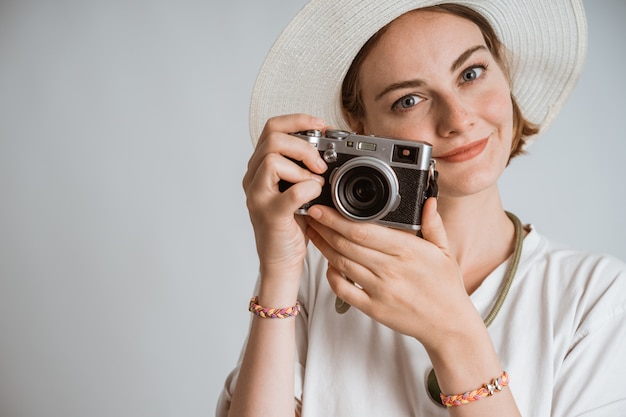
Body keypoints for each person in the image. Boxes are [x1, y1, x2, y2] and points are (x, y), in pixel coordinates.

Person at [217, 1, 626, 416]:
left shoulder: (597, 297)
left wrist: (452, 333)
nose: (458, 118)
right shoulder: (314, 275)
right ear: (361, 131)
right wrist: (278, 269)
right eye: (408, 100)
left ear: (506, 75)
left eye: (471, 73)